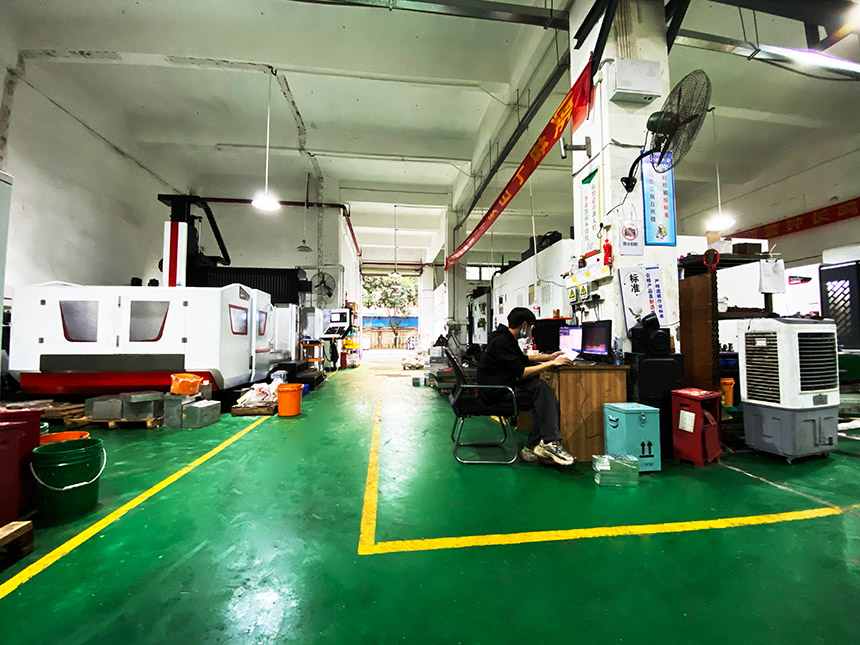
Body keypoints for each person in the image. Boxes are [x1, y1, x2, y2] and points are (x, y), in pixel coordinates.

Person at [476, 307, 576, 466]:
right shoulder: (502, 342)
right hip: (496, 395)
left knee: (542, 395)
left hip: (499, 388)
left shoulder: (505, 338)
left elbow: (522, 359)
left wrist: (549, 357)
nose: (530, 331)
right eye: (530, 327)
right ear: (524, 325)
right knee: (541, 390)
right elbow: (521, 372)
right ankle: (547, 442)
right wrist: (551, 364)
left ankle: (533, 448)